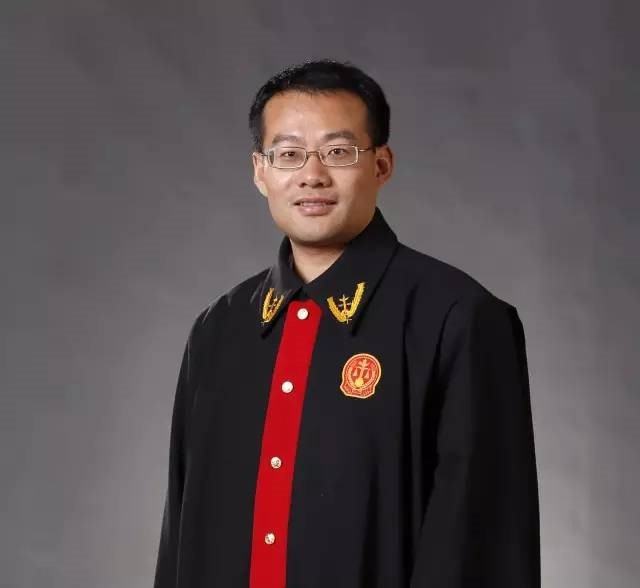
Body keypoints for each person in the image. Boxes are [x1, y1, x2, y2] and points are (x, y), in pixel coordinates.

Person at [153, 59, 540, 588]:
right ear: (260, 172)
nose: (312, 175)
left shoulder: (459, 318)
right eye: (289, 154)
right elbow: (180, 540)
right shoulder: (218, 331)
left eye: (338, 152)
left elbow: (483, 548)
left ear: (381, 165)